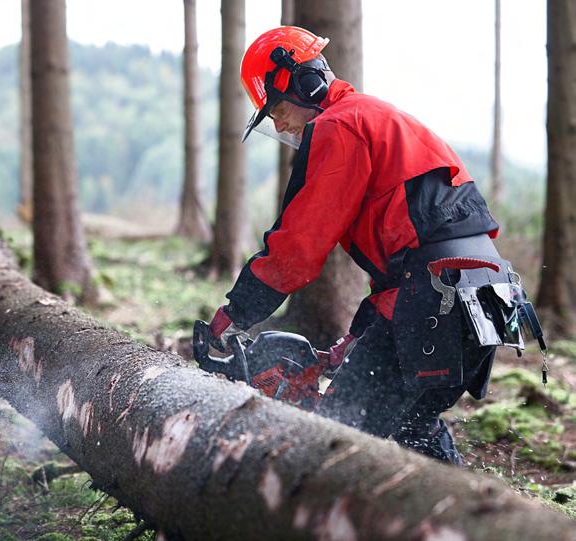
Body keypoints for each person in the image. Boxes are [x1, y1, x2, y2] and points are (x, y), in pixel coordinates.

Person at [208, 26, 509, 465]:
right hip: (483, 294)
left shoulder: (339, 126)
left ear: (302, 82)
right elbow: (420, 249)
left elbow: (298, 247)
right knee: (415, 428)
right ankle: (469, 521)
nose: (279, 122)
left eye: (275, 107)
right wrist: (361, 337)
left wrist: (236, 312)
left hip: (435, 296)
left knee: (336, 439)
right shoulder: (373, 117)